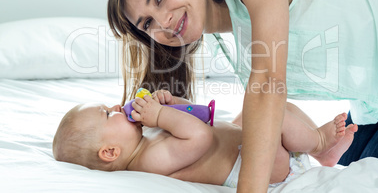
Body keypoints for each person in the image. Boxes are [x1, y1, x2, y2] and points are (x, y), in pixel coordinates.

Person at [107, 0, 378, 192]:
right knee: (351, 174)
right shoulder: (231, 37)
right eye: (147, 23)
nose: (163, 22)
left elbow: (268, 85)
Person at [53, 91, 357, 188]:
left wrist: (172, 105)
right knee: (268, 113)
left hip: (246, 146)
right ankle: (317, 141)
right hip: (264, 169)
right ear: (109, 152)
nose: (118, 107)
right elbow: (199, 138)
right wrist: (160, 116)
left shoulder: (147, 140)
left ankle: (323, 157)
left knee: (272, 106)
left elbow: (202, 121)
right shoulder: (148, 162)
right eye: (108, 114)